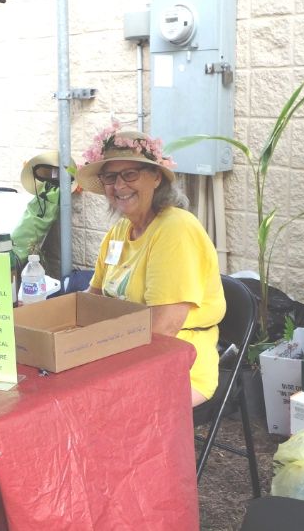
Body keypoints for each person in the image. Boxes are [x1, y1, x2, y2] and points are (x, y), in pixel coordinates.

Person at [75, 121, 225, 407]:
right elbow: (91, 301)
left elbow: (164, 328)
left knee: (91, 409)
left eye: (130, 174)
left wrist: (98, 361)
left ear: (156, 177)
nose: (119, 186)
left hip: (178, 365)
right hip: (120, 353)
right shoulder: (119, 232)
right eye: (110, 177)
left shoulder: (175, 230)